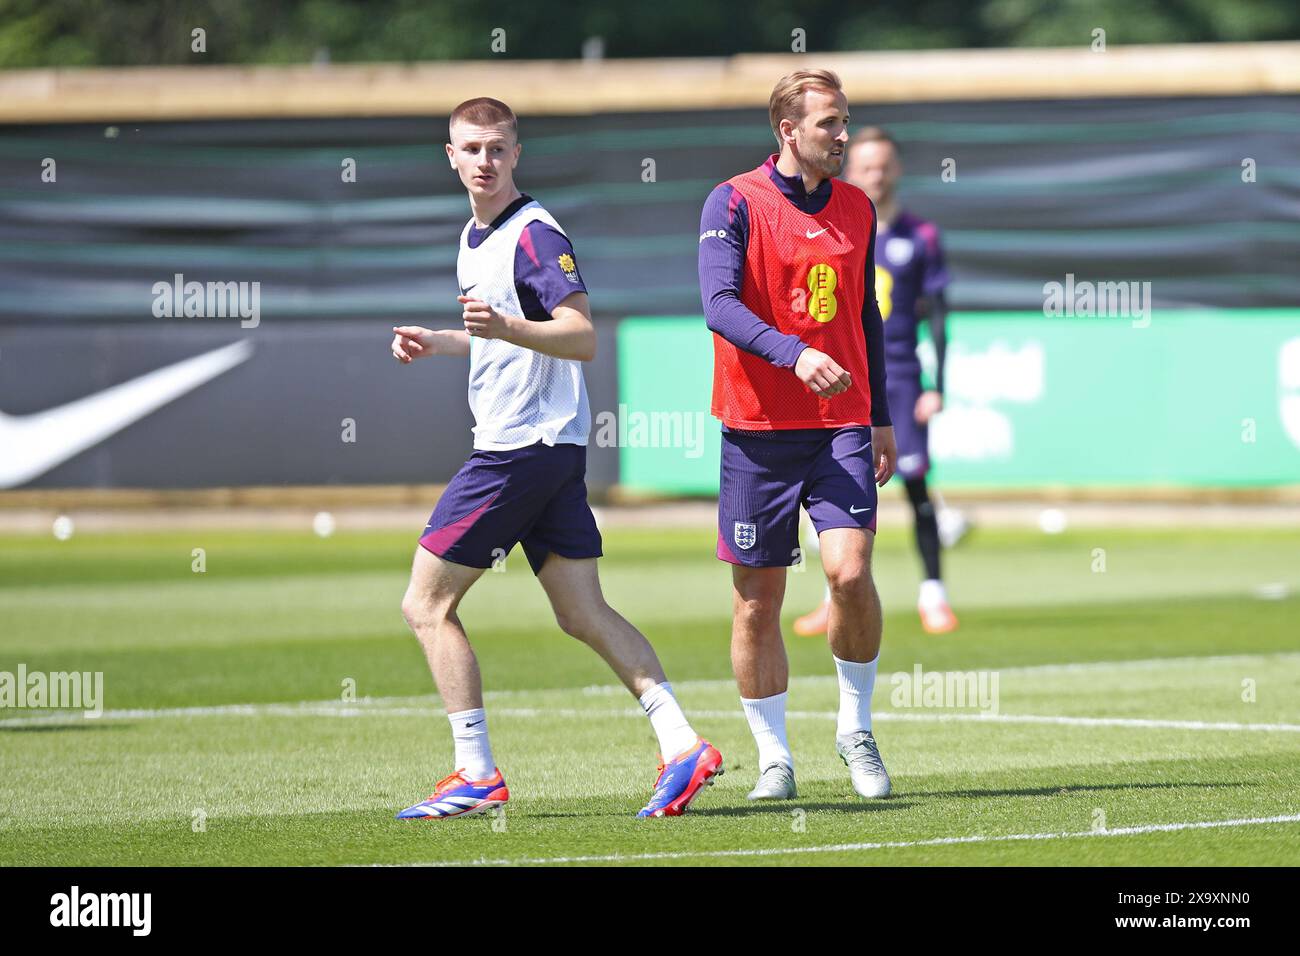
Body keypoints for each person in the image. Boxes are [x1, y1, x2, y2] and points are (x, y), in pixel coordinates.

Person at [390, 96, 722, 820]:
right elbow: (499, 335)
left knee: (425, 603)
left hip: (520, 449)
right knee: (582, 612)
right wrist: (443, 341)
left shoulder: (534, 235)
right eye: (471, 148)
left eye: (497, 148)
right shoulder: (474, 235)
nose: (485, 160)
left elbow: (579, 335)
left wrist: (507, 323)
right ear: (450, 155)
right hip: (545, 448)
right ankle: (682, 743)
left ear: (517, 153)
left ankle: (475, 772)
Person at [698, 70, 896, 801]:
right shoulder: (733, 202)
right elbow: (718, 304)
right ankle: (774, 755)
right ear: (788, 130)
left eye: (845, 122)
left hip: (840, 424)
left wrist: (880, 417)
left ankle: (856, 729)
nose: (843, 136)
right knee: (757, 599)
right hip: (757, 430)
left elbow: (865, 318)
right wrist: (794, 352)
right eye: (829, 125)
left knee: (849, 574)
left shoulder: (857, 207)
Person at [793, 126, 958, 636]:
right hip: (841, 378)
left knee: (914, 483)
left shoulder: (920, 236)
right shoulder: (831, 230)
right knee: (830, 486)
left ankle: (933, 594)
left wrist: (937, 384)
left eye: (883, 166)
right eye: (866, 166)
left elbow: (938, 313)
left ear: (897, 170)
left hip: (901, 379)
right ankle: (833, 597)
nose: (875, 175)